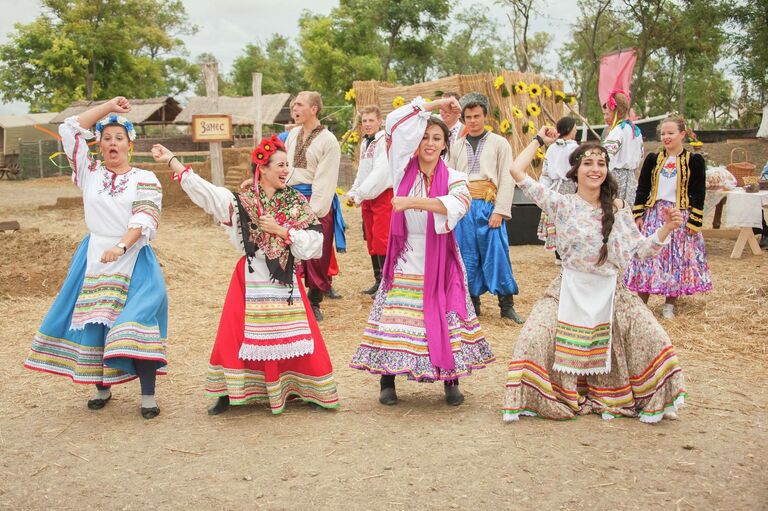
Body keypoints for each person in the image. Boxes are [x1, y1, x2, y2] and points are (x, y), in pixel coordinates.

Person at [502, 128, 686, 423]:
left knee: (655, 337)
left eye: (601, 163)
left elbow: (642, 251)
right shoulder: (561, 203)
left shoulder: (619, 209)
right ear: (575, 170)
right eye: (588, 163)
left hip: (612, 293)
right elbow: (515, 170)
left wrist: (666, 229)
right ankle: (543, 397)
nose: (595, 169)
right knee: (532, 337)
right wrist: (539, 140)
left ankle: (649, 397)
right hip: (568, 288)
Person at [160, 135, 339, 415]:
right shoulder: (243, 202)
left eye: (287, 165)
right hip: (250, 277)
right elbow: (208, 194)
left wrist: (283, 231)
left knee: (291, 336)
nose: (285, 170)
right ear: (262, 169)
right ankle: (229, 391)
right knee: (235, 336)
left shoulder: (294, 202)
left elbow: (315, 245)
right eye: (279, 165)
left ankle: (303, 387)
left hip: (284, 281)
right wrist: (174, 161)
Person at [24, 96, 168, 419]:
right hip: (93, 256)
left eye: (120, 138)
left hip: (134, 259)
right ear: (99, 145)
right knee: (95, 321)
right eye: (107, 138)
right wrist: (108, 109)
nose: (113, 143)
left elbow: (145, 217)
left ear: (130, 144)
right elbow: (69, 128)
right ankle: (102, 387)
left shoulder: (145, 179)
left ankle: (147, 396)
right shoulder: (89, 172)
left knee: (137, 321)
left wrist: (121, 246)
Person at [350, 96, 494, 406]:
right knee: (396, 317)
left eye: (437, 138)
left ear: (445, 145)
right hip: (404, 255)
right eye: (425, 137)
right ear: (416, 142)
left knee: (445, 314)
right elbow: (394, 122)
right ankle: (387, 380)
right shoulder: (402, 168)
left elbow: (456, 206)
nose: (429, 143)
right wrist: (435, 104)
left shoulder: (456, 178)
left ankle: (450, 380)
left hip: (440, 256)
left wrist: (412, 202)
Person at [625, 115, 712, 319]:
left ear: (682, 134)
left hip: (679, 215)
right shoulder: (653, 159)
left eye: (670, 133)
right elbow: (643, 187)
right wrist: (638, 213)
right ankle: (641, 302)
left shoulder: (694, 161)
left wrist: (694, 220)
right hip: (655, 214)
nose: (666, 137)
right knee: (648, 257)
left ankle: (669, 304)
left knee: (676, 259)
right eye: (663, 133)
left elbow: (699, 192)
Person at [448, 92, 522, 322]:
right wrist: (453, 208)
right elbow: (450, 176)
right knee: (465, 254)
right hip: (464, 206)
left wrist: (500, 210)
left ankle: (506, 305)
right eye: (468, 116)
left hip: (489, 207)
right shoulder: (456, 146)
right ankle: (472, 303)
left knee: (497, 253)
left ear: (485, 115)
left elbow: (507, 177)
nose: (472, 120)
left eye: (476, 115)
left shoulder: (500, 143)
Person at [285, 91, 343, 320]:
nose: (294, 109)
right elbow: (286, 168)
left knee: (317, 252)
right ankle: (292, 298)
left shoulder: (328, 140)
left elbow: (326, 178)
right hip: (290, 198)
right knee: (289, 248)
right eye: (293, 106)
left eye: (299, 105)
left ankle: (315, 300)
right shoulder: (294, 134)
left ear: (314, 109)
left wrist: (314, 211)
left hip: (315, 199)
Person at [346, 105, 392, 295]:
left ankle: (387, 282)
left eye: (371, 120)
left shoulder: (384, 142)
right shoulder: (365, 143)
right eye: (364, 121)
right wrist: (354, 191)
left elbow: (380, 173)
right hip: (368, 197)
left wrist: (360, 193)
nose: (367, 124)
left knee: (382, 238)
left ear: (379, 122)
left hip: (382, 195)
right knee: (371, 239)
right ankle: (378, 279)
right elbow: (363, 171)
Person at [537, 116, 579, 259]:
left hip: (554, 188)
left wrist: (543, 189)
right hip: (569, 188)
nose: (576, 130)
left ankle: (558, 253)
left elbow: (546, 172)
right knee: (568, 219)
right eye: (574, 128)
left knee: (556, 220)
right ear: (569, 130)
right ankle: (566, 252)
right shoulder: (575, 149)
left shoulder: (552, 148)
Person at [601, 89, 643, 205]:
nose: (606, 116)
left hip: (615, 179)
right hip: (631, 180)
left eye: (607, 113)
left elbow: (606, 157)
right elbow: (640, 156)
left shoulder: (618, 131)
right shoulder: (636, 131)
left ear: (614, 111)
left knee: (613, 210)